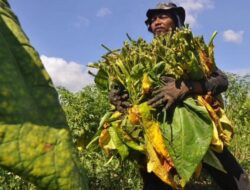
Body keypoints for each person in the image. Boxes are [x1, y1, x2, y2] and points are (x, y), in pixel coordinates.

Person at [109, 2, 249, 190]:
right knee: (156, 181)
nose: (156, 22)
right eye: (153, 19)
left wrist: (186, 87)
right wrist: (117, 95)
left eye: (163, 17)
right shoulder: (142, 54)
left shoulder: (191, 49)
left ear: (176, 21)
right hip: (155, 127)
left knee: (234, 178)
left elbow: (221, 81)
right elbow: (126, 86)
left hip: (193, 122)